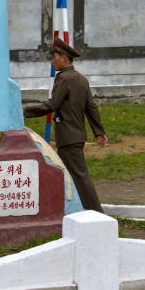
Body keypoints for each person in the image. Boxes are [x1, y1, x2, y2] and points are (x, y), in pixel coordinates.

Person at [23, 36, 107, 213]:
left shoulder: (63, 79)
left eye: (54, 57)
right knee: (69, 176)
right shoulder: (81, 79)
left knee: (79, 177)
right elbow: (91, 107)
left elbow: (52, 106)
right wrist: (99, 132)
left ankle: (96, 213)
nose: (52, 61)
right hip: (76, 135)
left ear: (64, 58)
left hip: (68, 137)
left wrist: (25, 111)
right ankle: (74, 211)